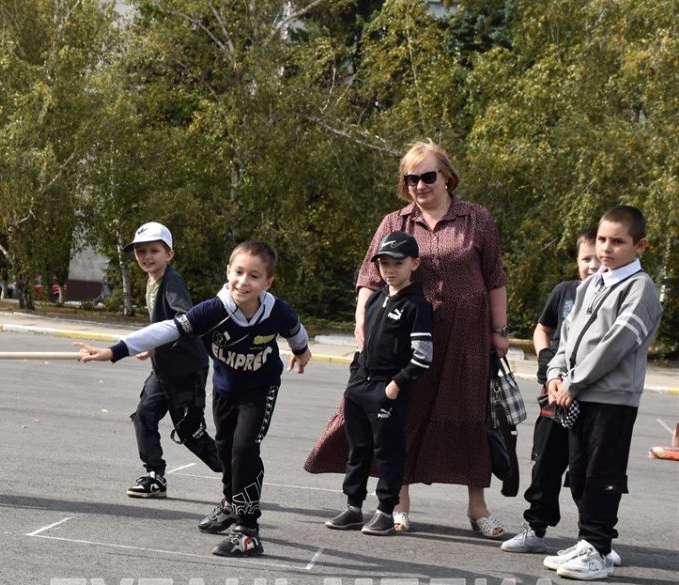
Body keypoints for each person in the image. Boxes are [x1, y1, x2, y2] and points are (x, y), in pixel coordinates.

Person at [305, 140, 509, 537]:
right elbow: (368, 278)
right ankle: (396, 503)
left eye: (428, 176)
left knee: (470, 416)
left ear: (447, 176)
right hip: (402, 338)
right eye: (411, 178)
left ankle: (478, 509)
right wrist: (363, 322)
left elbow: (495, 278)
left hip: (465, 338)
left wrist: (499, 332)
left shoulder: (477, 219)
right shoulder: (394, 222)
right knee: (399, 417)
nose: (419, 185)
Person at [76, 240, 312, 558]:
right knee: (226, 450)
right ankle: (230, 503)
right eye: (238, 272)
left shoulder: (276, 311)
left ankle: (248, 529)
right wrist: (115, 350)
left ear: (267, 282)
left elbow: (296, 331)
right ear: (229, 272)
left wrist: (301, 353)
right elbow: (166, 329)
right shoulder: (214, 310)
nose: (244, 281)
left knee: (244, 449)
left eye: (254, 276)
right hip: (226, 390)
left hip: (261, 390)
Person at [541, 205, 662, 580]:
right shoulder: (592, 283)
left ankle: (597, 549)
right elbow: (568, 335)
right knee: (578, 472)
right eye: (601, 240)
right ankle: (590, 541)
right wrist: (556, 374)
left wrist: (574, 383)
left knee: (602, 474)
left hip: (612, 399)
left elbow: (616, 345)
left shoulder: (641, 289)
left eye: (617, 241)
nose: (606, 249)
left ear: (639, 245)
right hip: (576, 394)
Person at [501, 228, 621, 563]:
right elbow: (544, 328)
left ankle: (597, 542)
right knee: (546, 465)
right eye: (586, 259)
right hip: (554, 393)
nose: (593, 266)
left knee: (589, 472)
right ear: (578, 261)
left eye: (599, 260)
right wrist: (545, 362)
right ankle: (536, 529)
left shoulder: (619, 296)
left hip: (594, 397)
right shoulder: (564, 292)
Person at [324, 231, 433, 536]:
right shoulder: (376, 298)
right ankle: (353, 507)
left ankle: (386, 511)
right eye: (384, 262)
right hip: (360, 386)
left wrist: (396, 385)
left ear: (414, 263)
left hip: (388, 390)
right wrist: (355, 376)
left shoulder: (417, 305)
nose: (389, 269)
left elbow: (423, 356)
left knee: (388, 452)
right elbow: (363, 344)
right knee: (357, 449)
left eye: (397, 262)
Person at [119, 221, 222, 499]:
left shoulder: (171, 281)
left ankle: (236, 474)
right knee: (144, 414)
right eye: (140, 252)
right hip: (163, 368)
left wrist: (153, 344)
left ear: (169, 254)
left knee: (190, 432)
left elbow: (184, 318)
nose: (146, 257)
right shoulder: (152, 280)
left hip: (186, 368)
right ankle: (155, 476)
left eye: (154, 250)